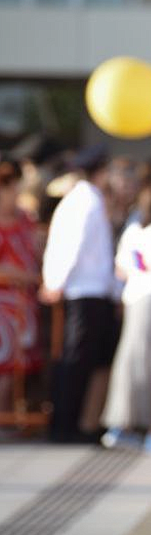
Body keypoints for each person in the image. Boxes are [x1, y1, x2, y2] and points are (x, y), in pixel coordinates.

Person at [41, 145, 118, 444]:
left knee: (83, 359)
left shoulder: (83, 199)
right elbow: (72, 245)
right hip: (83, 290)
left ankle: (75, 423)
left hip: (89, 290)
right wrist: (56, 281)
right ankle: (65, 424)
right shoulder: (86, 200)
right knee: (76, 360)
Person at [102, 183, 151, 451]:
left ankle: (125, 424)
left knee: (132, 359)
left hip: (134, 298)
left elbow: (121, 269)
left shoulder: (132, 232)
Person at [0, 160, 40, 420]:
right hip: (4, 305)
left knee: (19, 365)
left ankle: (11, 414)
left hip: (24, 305)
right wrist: (26, 276)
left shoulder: (25, 219)